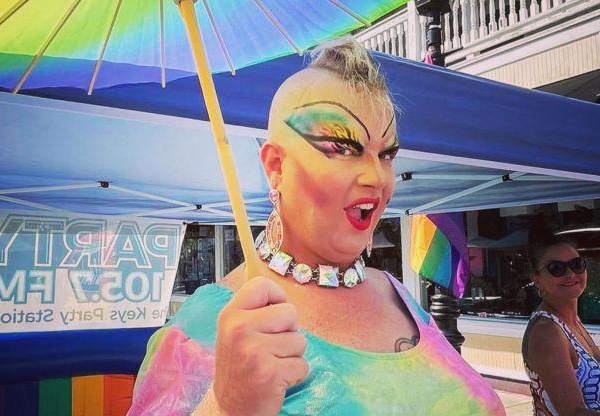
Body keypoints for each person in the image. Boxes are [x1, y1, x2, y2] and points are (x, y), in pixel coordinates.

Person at [128, 38, 505, 415]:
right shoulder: (207, 325)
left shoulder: (396, 293)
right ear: (277, 167)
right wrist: (225, 406)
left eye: (386, 154)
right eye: (342, 147)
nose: (376, 177)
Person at [522, 229, 600, 415]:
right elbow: (573, 413)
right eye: (556, 268)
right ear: (537, 279)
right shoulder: (547, 332)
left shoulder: (571, 321)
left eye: (577, 264)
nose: (571, 273)